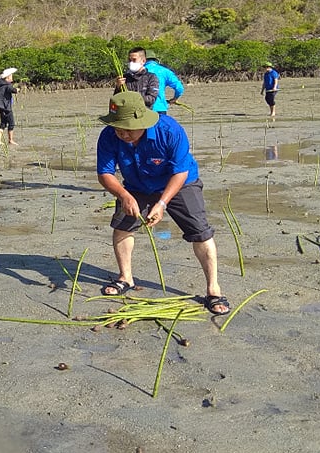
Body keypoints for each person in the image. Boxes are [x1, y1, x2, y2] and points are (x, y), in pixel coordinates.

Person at [96, 91, 229, 315]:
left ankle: (213, 289)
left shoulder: (169, 130)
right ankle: (125, 277)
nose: (123, 134)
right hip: (136, 185)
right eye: (118, 128)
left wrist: (162, 204)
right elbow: (105, 173)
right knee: (122, 227)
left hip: (179, 182)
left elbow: (180, 171)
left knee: (200, 232)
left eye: (128, 129)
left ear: (142, 122)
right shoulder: (109, 136)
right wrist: (124, 196)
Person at [0, 67, 19, 146]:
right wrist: (17, 90)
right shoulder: (7, 85)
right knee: (11, 123)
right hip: (6, 108)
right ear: (7, 78)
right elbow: (13, 90)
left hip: (1, 107)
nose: (12, 77)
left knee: (3, 123)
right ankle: (11, 140)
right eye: (11, 76)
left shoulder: (0, 84)